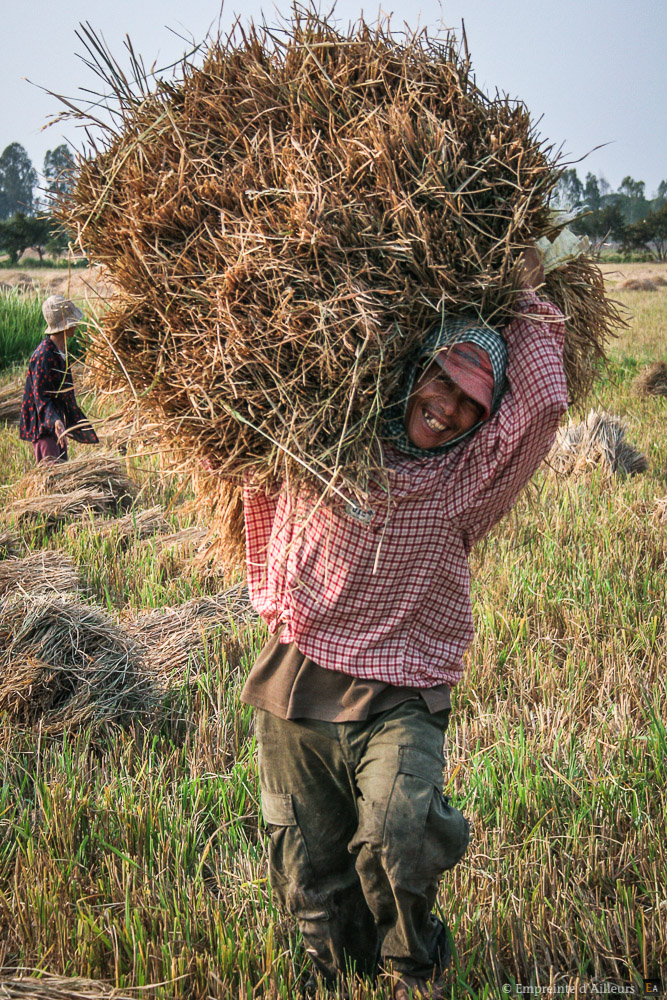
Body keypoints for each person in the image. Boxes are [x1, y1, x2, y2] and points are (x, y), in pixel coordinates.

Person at [240, 249, 568, 999]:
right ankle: (329, 973)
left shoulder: (467, 479)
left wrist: (522, 290)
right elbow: (254, 457)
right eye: (442, 381)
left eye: (470, 403)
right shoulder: (333, 434)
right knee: (307, 861)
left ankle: (410, 967)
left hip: (401, 692)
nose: (448, 407)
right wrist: (271, 591)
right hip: (296, 681)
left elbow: (545, 402)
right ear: (414, 369)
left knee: (396, 834)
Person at [19, 295, 99, 463]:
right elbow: (41, 398)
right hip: (45, 428)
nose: (76, 324)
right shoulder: (44, 355)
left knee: (63, 471)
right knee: (52, 476)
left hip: (56, 426)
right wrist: (54, 421)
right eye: (72, 321)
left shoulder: (61, 351)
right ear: (64, 325)